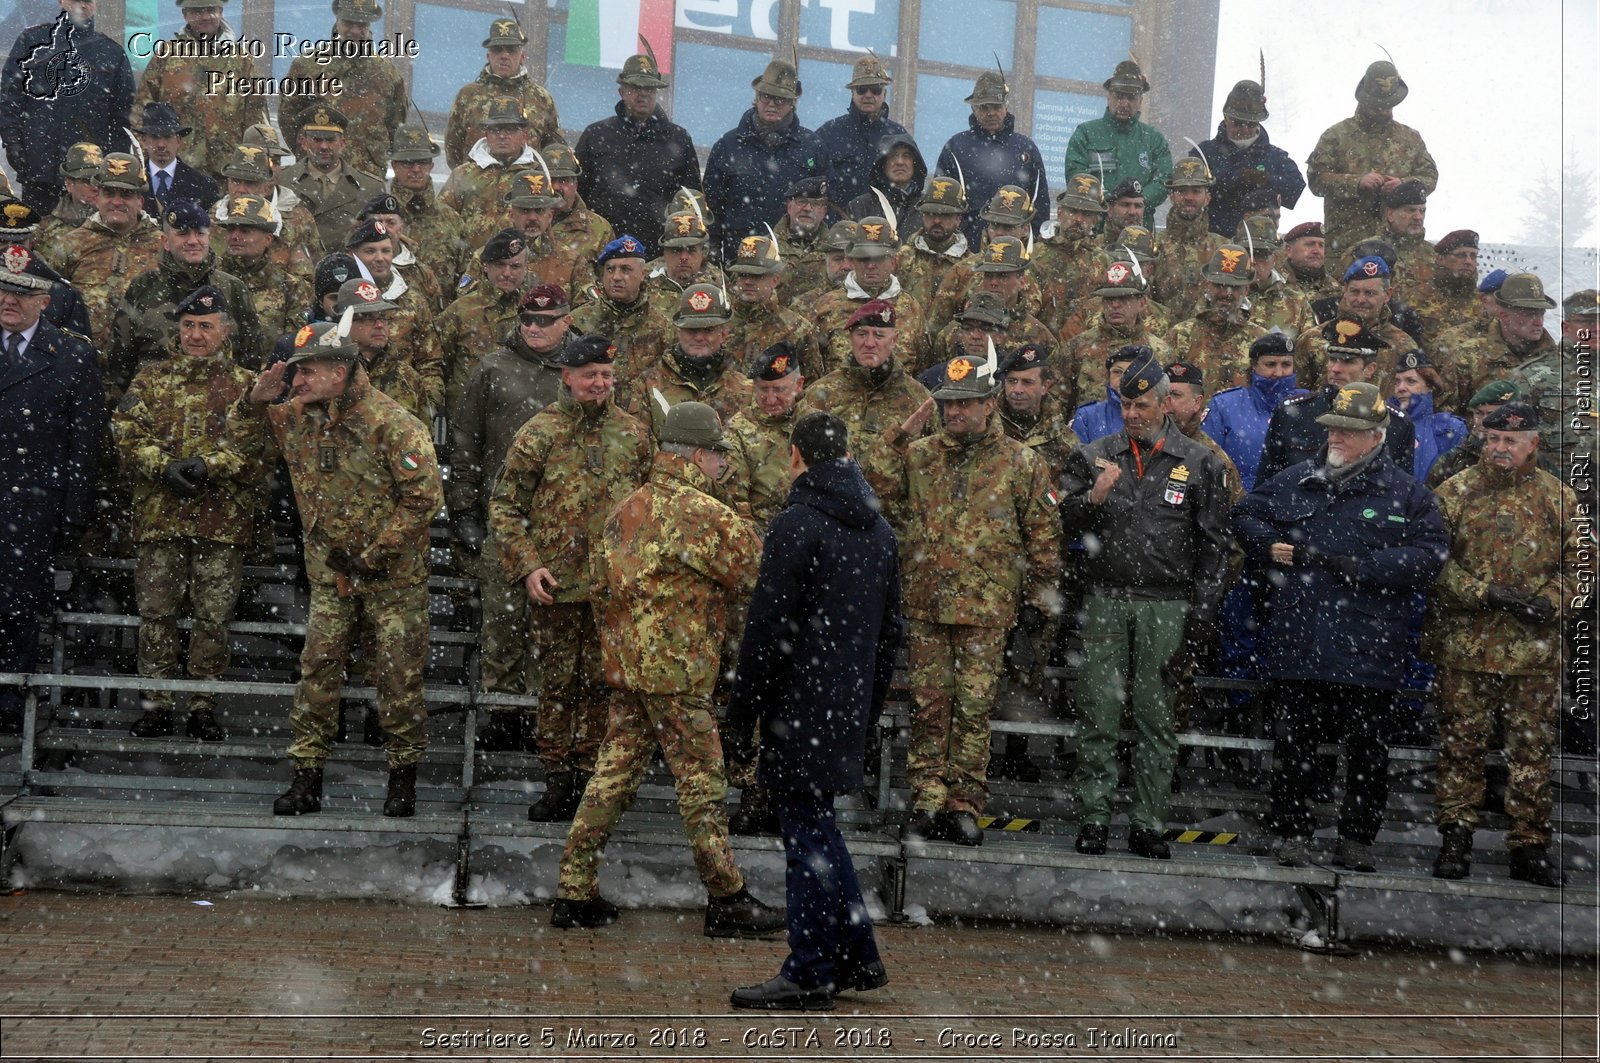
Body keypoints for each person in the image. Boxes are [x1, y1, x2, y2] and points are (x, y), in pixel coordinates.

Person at [552, 400, 785, 938]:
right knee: (702, 782)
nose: (723, 466)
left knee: (611, 775)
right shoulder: (706, 513)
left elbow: (598, 586)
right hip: (678, 675)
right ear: (700, 454)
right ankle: (727, 897)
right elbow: (753, 573)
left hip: (627, 669)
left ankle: (574, 886)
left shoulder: (621, 509)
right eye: (718, 457)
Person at [724, 411, 900, 1011]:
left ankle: (810, 969)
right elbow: (891, 634)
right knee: (820, 828)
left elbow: (767, 628)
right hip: (844, 704)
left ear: (795, 456)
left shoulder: (797, 524)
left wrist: (739, 715)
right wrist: (867, 711)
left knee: (807, 836)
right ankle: (855, 955)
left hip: (796, 707)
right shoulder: (878, 530)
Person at [232, 320, 443, 819]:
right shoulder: (295, 417)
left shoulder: (392, 423)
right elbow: (243, 445)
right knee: (318, 673)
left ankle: (402, 778)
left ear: (341, 370)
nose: (297, 380)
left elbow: (424, 499)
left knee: (398, 679)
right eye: (296, 371)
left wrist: (372, 557)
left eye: (307, 370)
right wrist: (252, 401)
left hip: (393, 581)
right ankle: (306, 778)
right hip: (330, 578)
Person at [1234, 381, 1447, 871]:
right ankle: (1292, 830)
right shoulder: (1297, 479)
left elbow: (1428, 557)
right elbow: (1245, 511)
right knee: (1294, 746)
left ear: (1376, 436)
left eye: (1348, 433)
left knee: (1367, 751)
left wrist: (1354, 566)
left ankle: (1357, 840)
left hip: (1370, 644)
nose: (1336, 439)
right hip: (1301, 638)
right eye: (1332, 429)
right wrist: (1267, 545)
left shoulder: (1406, 495)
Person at [876, 346, 1061, 845]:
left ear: (990, 404)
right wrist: (902, 431)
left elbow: (1044, 540)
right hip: (928, 604)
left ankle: (964, 803)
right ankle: (927, 798)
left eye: (966, 403)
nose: (955, 412)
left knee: (975, 709)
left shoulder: (1022, 463)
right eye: (948, 404)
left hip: (987, 608)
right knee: (930, 705)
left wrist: (1038, 609)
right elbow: (872, 486)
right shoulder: (918, 456)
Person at [1059, 352, 1230, 859]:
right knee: (1098, 715)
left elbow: (1215, 548)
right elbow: (1059, 523)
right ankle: (1093, 819)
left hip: (1167, 604)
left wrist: (1202, 618)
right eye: (1125, 404)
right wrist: (1093, 497)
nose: (1133, 414)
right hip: (1106, 599)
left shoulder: (1201, 463)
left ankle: (1148, 823)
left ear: (1165, 404)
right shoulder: (1093, 456)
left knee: (1158, 721)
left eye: (1142, 404)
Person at [489, 335, 653, 818]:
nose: (598, 384)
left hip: (613, 590)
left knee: (609, 687)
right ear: (567, 376)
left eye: (605, 375)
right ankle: (558, 777)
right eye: (589, 376)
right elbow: (505, 505)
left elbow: (654, 508)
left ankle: (594, 781)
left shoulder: (636, 434)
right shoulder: (539, 433)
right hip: (557, 587)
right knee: (557, 687)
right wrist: (527, 563)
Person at [1426, 403, 1583, 888]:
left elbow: (1584, 568)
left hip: (1533, 656)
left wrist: (1552, 602)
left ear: (1533, 443)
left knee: (1532, 753)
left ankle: (1530, 845)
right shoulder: (1453, 492)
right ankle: (1455, 838)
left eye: (1511, 441)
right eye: (1493, 439)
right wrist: (1483, 593)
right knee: (1460, 747)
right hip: (1465, 649)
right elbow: (1431, 561)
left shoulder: (1561, 499)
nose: (1500, 449)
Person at [112, 285, 263, 740]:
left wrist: (208, 466)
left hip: (221, 520)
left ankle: (202, 703)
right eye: (189, 326)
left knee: (212, 617)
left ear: (225, 331)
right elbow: (125, 434)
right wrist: (164, 466)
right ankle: (155, 702)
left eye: (206, 326)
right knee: (157, 614)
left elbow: (256, 447)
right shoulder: (150, 379)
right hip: (160, 516)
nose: (196, 335)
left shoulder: (245, 385)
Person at [0, 245, 101, 734]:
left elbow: (84, 443)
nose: (9, 301)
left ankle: (9, 698)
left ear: (45, 300)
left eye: (23, 293)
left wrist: (74, 514)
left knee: (19, 605)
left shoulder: (72, 355)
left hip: (32, 503)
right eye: (3, 290)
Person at [796, 300, 932, 532]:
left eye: (879, 335)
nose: (869, 343)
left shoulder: (918, 399)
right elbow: (797, 464)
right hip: (829, 528)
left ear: (895, 339)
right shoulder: (821, 395)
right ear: (850, 337)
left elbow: (929, 474)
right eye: (861, 334)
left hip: (895, 530)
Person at [109, 199, 263, 392]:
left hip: (221, 408)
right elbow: (119, 363)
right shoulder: (143, 287)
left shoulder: (233, 288)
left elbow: (251, 359)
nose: (193, 241)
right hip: (155, 407)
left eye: (200, 233)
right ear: (165, 242)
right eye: (183, 234)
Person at [0, 0, 134, 213]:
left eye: (87, 0)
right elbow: (9, 98)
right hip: (39, 168)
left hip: (90, 176)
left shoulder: (112, 53)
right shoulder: (32, 41)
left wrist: (114, 164)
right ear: (62, 1)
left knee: (88, 241)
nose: (81, 5)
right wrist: (13, 142)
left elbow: (123, 117)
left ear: (95, 4)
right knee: (39, 238)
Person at [1258, 317, 1416, 484]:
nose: (1335, 369)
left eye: (1347, 361)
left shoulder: (1395, 423)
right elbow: (1266, 486)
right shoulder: (1292, 413)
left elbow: (1402, 492)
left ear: (1370, 369)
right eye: (1332, 359)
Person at [575, 51, 700, 260]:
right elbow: (577, 195)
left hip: (657, 254)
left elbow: (691, 203)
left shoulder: (679, 140)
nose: (643, 94)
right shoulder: (595, 135)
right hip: (600, 251)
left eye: (649, 88)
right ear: (621, 91)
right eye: (636, 87)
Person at [1306, 60, 1437, 257]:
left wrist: (1403, 185)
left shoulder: (1410, 138)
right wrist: (1355, 183)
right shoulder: (1336, 136)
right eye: (1377, 106)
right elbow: (1316, 181)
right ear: (1364, 100)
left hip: (1400, 248)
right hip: (1345, 244)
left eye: (1389, 105)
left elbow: (1430, 177)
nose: (1383, 111)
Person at [703, 59, 829, 261]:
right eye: (765, 96)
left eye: (780, 99)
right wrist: (713, 252)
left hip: (796, 262)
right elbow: (711, 208)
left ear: (792, 103)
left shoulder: (812, 147)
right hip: (737, 261)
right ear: (756, 98)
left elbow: (824, 207)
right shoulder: (728, 146)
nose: (771, 103)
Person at [131, 0, 265, 180]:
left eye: (211, 10)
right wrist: (144, 157)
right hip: (175, 169)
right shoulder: (167, 56)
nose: (205, 17)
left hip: (228, 170)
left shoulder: (241, 60)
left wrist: (255, 162)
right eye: (197, 11)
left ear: (221, 12)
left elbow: (256, 116)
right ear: (185, 15)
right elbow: (142, 110)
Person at [278, 0, 406, 177]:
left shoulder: (388, 74)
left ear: (369, 25)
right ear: (337, 20)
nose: (354, 30)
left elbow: (396, 126)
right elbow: (288, 116)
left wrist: (374, 156)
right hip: (314, 174)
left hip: (366, 175)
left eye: (361, 24)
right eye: (348, 23)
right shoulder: (308, 66)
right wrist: (306, 151)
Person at [53, 155, 164, 357]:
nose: (116, 202)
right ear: (97, 198)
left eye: (126, 194)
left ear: (140, 201)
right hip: (84, 364)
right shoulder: (70, 245)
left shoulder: (162, 246)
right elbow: (52, 306)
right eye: (109, 193)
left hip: (145, 368)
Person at [935, 68, 1050, 246]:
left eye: (996, 106)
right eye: (984, 107)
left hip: (1014, 252)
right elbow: (941, 201)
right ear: (973, 108)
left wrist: (1032, 246)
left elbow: (1039, 205)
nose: (991, 113)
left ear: (1006, 107)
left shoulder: (1026, 148)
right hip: (964, 250)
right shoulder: (956, 147)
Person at [625, 283, 753, 438]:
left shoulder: (745, 390)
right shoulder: (648, 385)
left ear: (724, 334)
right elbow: (641, 446)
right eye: (691, 330)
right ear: (679, 332)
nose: (699, 337)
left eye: (708, 330)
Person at [1189, 78, 1304, 239]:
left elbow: (1296, 187)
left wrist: (1266, 180)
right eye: (1238, 122)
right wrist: (1233, 179)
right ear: (1226, 117)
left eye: (1250, 124)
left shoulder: (1275, 157)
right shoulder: (1203, 153)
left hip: (1260, 242)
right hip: (1212, 238)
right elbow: (1188, 191)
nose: (1244, 129)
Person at [1063, 61, 1171, 229]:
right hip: (1095, 230)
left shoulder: (1154, 139)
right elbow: (1076, 175)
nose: (1124, 103)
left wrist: (1134, 204)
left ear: (1141, 100)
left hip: (1139, 232)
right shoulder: (1086, 133)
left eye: (1131, 97)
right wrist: (1108, 201)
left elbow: (1165, 180)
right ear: (1108, 96)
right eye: (1118, 96)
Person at [445, 17, 563, 170]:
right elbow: (452, 147)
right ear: (489, 56)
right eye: (498, 49)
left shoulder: (541, 98)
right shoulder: (468, 95)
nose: (504, 55)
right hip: (478, 188)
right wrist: (469, 180)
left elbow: (554, 150)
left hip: (526, 188)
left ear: (522, 56)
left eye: (511, 50)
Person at [1055, 256, 1169, 415]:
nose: (1115, 305)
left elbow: (1169, 408)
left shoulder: (1161, 352)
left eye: (1123, 298)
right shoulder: (1077, 347)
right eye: (1109, 299)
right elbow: (1056, 404)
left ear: (1142, 303)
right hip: (1090, 436)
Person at [438, 229, 532, 414]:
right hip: (466, 417)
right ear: (486, 266)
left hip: (518, 417)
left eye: (515, 267)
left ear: (526, 269)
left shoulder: (533, 310)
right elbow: (437, 364)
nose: (507, 273)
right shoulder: (461, 311)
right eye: (500, 265)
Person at [1438, 273, 1560, 414]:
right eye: (1529, 314)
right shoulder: (1468, 357)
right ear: (1504, 316)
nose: (1539, 321)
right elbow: (1445, 418)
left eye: (1541, 313)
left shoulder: (1556, 359)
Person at [1293, 256, 1416, 393]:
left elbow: (1410, 398)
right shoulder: (1313, 339)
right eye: (1354, 291)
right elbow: (1297, 394)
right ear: (1345, 290)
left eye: (1370, 293)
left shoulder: (1403, 345)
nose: (1361, 299)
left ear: (1387, 294)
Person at [276, 106, 385, 257]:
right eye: (317, 139)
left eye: (330, 140)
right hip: (296, 272)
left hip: (347, 272)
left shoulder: (370, 188)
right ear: (303, 142)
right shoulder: (282, 181)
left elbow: (379, 240)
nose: (324, 146)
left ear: (343, 143)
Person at [1202, 331, 1304, 492]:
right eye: (1270, 364)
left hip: (1295, 503)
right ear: (1254, 366)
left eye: (1286, 365)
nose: (1279, 373)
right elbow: (1206, 460)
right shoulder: (1225, 405)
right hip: (1240, 502)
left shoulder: (1308, 403)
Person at [571, 236, 675, 386]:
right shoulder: (578, 321)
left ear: (642, 274)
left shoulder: (662, 325)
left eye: (626, 269)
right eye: (610, 269)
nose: (616, 277)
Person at [1164, 244, 1265, 393]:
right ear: (1207, 285)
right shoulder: (1180, 336)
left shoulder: (1261, 340)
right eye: (1219, 285)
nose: (1225, 293)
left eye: (1234, 287)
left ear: (1246, 289)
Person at [723, 233, 824, 382]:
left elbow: (810, 386)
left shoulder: (797, 328)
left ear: (775, 280)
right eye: (743, 275)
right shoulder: (719, 323)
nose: (748, 282)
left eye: (757, 275)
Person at [816, 55, 910, 208]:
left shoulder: (899, 136)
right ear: (852, 93)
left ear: (884, 94)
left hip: (886, 228)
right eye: (861, 89)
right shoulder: (828, 133)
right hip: (837, 227)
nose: (868, 95)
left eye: (875, 89)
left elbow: (912, 187)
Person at [387, 127, 470, 297]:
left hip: (443, 317)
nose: (416, 169)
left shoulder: (451, 220)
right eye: (408, 162)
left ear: (431, 166)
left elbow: (466, 277)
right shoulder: (379, 218)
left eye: (423, 162)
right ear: (394, 166)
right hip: (392, 318)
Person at [1390, 349, 1466, 481]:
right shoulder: (1382, 423)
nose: (1401, 387)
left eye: (1411, 381)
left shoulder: (1450, 429)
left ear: (1430, 386)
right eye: (1397, 381)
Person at [132, 103, 219, 217]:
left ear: (178, 141)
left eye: (167, 137)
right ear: (143, 141)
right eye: (155, 137)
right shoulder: (132, 181)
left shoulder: (203, 185)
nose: (161, 145)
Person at [1408, 230, 1481, 352]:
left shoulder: (1483, 301)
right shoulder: (1418, 298)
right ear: (1441, 259)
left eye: (1473, 256)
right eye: (1461, 255)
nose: (1468, 261)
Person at [847, 133, 927, 239]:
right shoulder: (860, 206)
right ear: (883, 163)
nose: (900, 162)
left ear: (915, 163)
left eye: (906, 155)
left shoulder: (927, 207)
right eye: (893, 155)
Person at [1281, 221, 1335, 301]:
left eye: (1321, 245)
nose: (1316, 251)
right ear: (1289, 250)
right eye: (1310, 244)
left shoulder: (1334, 287)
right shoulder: (1275, 282)